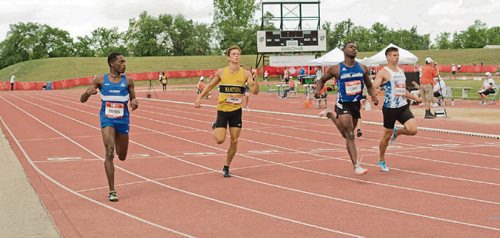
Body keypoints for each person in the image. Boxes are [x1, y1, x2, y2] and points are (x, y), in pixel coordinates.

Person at [80, 52, 139, 202]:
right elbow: (82, 99)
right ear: (112, 63)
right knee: (109, 151)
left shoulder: (128, 81)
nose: (124, 64)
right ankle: (112, 190)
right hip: (107, 119)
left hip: (123, 120)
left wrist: (134, 102)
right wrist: (87, 93)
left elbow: (133, 97)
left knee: (123, 156)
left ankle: (114, 160)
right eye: (121, 62)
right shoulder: (100, 79)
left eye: (125, 62)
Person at [194, 46, 259, 177]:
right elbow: (210, 85)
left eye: (238, 54)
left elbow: (255, 91)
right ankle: (216, 124)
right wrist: (199, 97)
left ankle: (226, 166)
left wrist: (255, 77)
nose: (236, 56)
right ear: (228, 57)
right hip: (223, 111)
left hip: (236, 112)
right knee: (219, 140)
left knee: (234, 141)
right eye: (234, 54)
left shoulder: (245, 73)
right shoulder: (221, 72)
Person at [315, 41, 378, 175]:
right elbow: (322, 80)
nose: (354, 49)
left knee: (347, 134)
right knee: (349, 134)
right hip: (343, 103)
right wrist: (317, 91)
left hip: (355, 104)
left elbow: (369, 85)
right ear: (344, 51)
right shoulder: (336, 69)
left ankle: (330, 115)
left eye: (355, 47)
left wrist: (373, 96)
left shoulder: (362, 68)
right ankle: (356, 165)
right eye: (351, 47)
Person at [372, 47, 421, 172]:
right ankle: (381, 159)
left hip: (403, 106)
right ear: (388, 57)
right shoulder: (383, 72)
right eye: (394, 55)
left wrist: (414, 97)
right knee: (386, 136)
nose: (397, 57)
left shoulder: (400, 71)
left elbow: (402, 90)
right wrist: (374, 91)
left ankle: (397, 132)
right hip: (390, 108)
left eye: (397, 55)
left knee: (413, 130)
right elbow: (374, 86)